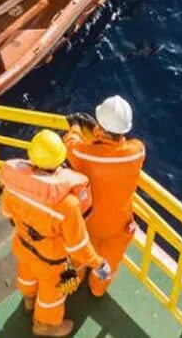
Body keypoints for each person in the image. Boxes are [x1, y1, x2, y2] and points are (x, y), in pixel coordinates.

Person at [1, 129, 112, 337]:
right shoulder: (67, 205)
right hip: (50, 262)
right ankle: (44, 325)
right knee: (52, 294)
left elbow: (7, 212)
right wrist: (98, 264)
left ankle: (28, 301)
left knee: (27, 273)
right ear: (60, 162)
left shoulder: (13, 186)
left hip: (23, 247)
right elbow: (78, 246)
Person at [63, 95, 145, 297]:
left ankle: (78, 278)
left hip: (88, 223)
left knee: (80, 257)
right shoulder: (137, 151)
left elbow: (70, 145)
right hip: (118, 226)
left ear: (100, 127)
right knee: (108, 265)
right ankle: (98, 289)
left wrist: (75, 127)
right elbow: (117, 150)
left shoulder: (84, 154)